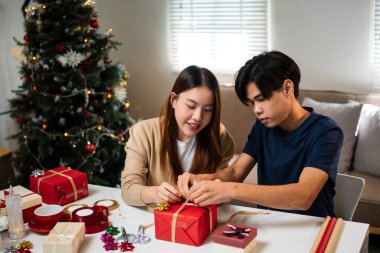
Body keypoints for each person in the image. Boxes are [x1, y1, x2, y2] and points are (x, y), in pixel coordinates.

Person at [177, 51, 343, 218]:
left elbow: (303, 196)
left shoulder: (326, 132)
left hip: (313, 228)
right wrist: (203, 179)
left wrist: (229, 190)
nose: (256, 109)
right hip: (268, 223)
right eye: (252, 102)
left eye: (261, 98)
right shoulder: (263, 127)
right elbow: (235, 173)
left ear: (287, 88)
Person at [121, 65, 235, 206]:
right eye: (191, 106)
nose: (198, 117)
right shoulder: (143, 132)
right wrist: (154, 193)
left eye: (207, 109)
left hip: (201, 221)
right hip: (156, 220)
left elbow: (223, 186)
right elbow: (128, 189)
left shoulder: (220, 135)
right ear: (173, 100)